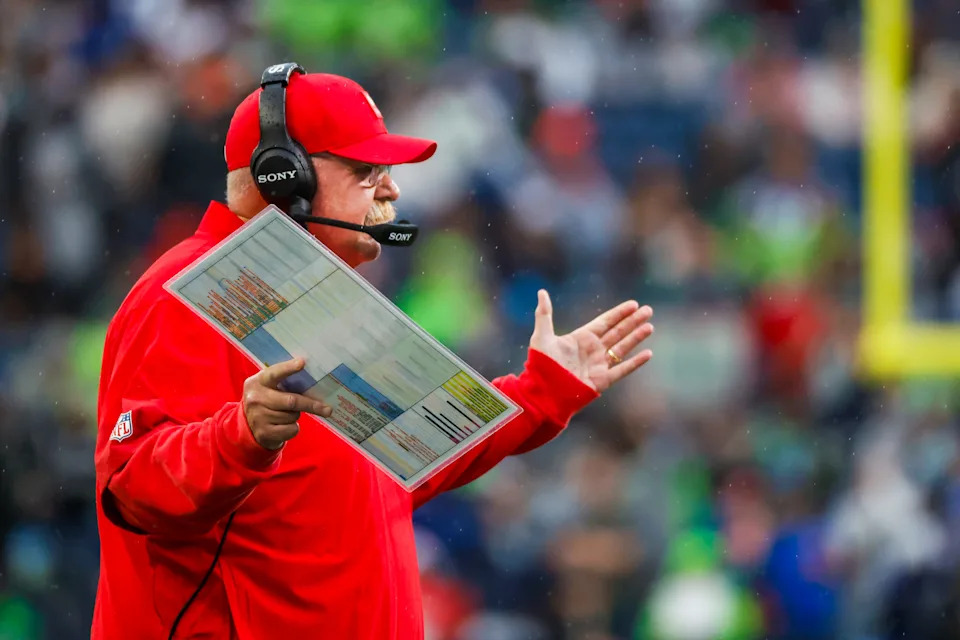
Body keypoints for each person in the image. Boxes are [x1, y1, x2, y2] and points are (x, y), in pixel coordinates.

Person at [92, 65, 655, 639]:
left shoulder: (322, 295)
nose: (391, 189)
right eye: (367, 170)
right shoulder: (187, 289)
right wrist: (239, 436)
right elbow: (131, 482)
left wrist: (544, 388)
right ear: (287, 179)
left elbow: (417, 451)